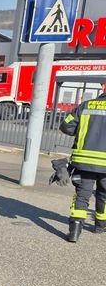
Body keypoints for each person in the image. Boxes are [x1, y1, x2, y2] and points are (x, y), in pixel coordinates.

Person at [59, 82, 106, 241]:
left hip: (84, 160)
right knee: (104, 195)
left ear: (103, 86)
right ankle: (100, 226)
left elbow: (66, 126)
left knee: (82, 196)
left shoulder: (86, 106)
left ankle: (74, 232)